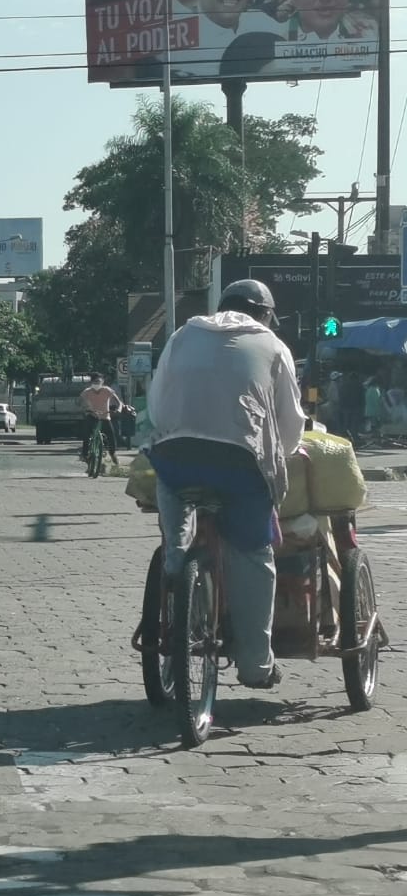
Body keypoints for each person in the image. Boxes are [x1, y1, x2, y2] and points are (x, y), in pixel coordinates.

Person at [145, 279, 305, 689]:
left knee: (169, 488)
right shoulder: (272, 345)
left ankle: (176, 565)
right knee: (252, 555)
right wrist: (284, 455)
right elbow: (290, 420)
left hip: (176, 457)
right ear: (266, 315)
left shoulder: (183, 335)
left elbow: (157, 403)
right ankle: (256, 666)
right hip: (240, 465)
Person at [79, 372, 121, 467]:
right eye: (95, 381)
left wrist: (118, 409)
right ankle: (85, 455)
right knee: (86, 434)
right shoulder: (87, 392)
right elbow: (80, 402)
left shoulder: (107, 390)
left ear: (102, 382)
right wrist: (85, 408)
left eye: (99, 381)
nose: (97, 384)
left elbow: (119, 402)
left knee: (111, 436)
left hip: (105, 417)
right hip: (92, 416)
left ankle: (113, 454)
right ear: (91, 382)